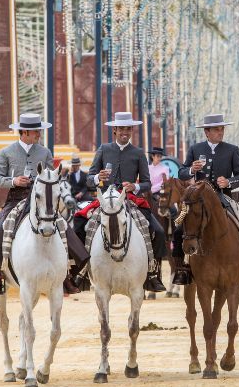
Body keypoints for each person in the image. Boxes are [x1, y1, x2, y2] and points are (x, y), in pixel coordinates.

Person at [0, 113, 90, 295]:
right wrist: (14, 181)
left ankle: (68, 273)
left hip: (41, 199)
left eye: (39, 130)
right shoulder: (6, 152)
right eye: (36, 131)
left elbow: (51, 176)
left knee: (63, 227)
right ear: (25, 132)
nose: (39, 134)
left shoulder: (45, 152)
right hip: (16, 199)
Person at [72, 112, 168, 292]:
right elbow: (89, 178)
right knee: (78, 224)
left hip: (129, 199)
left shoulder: (138, 153)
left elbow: (146, 182)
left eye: (128, 128)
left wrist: (135, 186)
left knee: (159, 231)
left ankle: (153, 274)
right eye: (121, 128)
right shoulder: (103, 149)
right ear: (114, 130)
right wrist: (96, 178)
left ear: (131, 130)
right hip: (106, 199)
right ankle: (81, 270)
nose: (125, 132)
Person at [170, 113, 239, 285]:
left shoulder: (232, 150)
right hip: (198, 199)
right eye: (216, 129)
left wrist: (228, 182)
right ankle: (182, 268)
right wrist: (192, 170)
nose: (220, 132)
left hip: (223, 197)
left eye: (222, 129)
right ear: (207, 132)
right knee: (179, 229)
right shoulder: (195, 149)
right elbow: (181, 172)